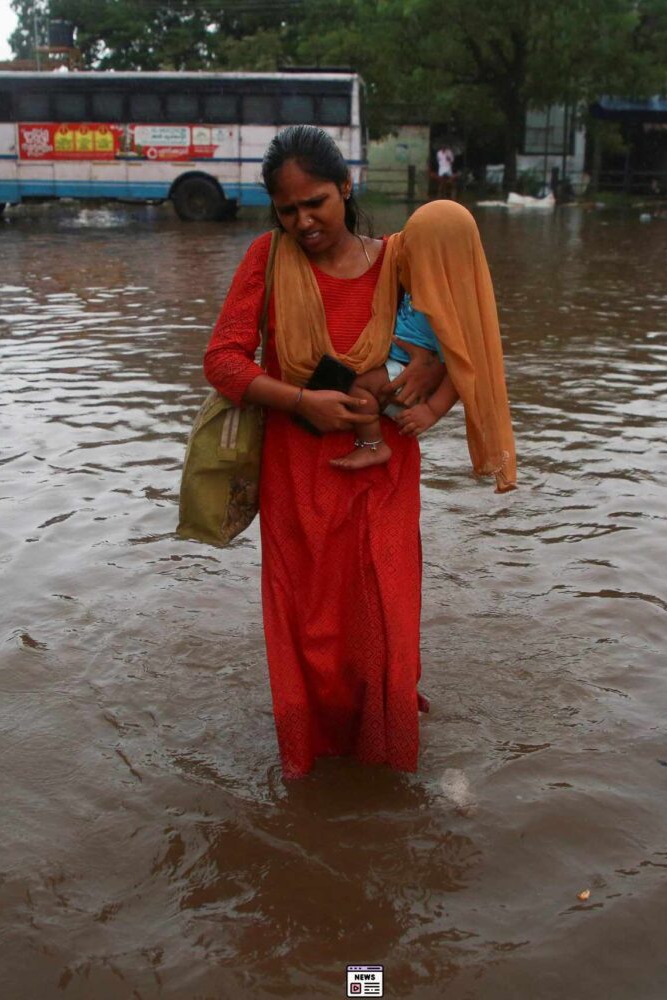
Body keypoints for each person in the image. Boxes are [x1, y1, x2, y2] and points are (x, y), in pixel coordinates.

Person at [203, 125, 515, 779]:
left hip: (385, 474)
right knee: (312, 625)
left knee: (384, 615)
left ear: (346, 188)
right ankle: (313, 756)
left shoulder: (402, 259)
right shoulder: (266, 258)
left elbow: (467, 337)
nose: (303, 220)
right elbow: (223, 362)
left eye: (315, 201)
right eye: (287, 209)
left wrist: (432, 407)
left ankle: (385, 748)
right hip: (298, 474)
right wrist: (299, 401)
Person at [326, 294, 458, 471]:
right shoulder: (413, 287)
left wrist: (432, 410)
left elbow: (462, 367)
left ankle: (372, 444)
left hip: (404, 372)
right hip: (396, 366)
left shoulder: (444, 307)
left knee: (356, 385)